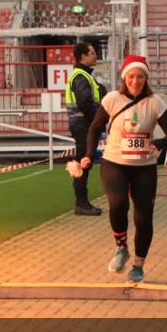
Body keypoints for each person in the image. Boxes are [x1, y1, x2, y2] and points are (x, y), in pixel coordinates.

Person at [82, 55, 167, 282]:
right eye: (132, 76)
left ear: (146, 79)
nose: (136, 81)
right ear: (125, 78)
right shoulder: (112, 99)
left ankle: (138, 265)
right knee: (117, 205)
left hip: (144, 167)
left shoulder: (155, 102)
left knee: (143, 218)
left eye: (140, 77)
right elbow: (95, 128)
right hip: (114, 162)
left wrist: (158, 144)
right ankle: (121, 247)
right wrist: (88, 155)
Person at [65, 41, 107, 216]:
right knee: (83, 162)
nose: (95, 55)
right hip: (84, 125)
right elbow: (85, 103)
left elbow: (97, 94)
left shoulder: (83, 75)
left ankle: (82, 203)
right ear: (83, 56)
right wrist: (98, 121)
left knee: (84, 162)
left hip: (84, 125)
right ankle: (81, 203)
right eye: (92, 53)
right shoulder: (80, 76)